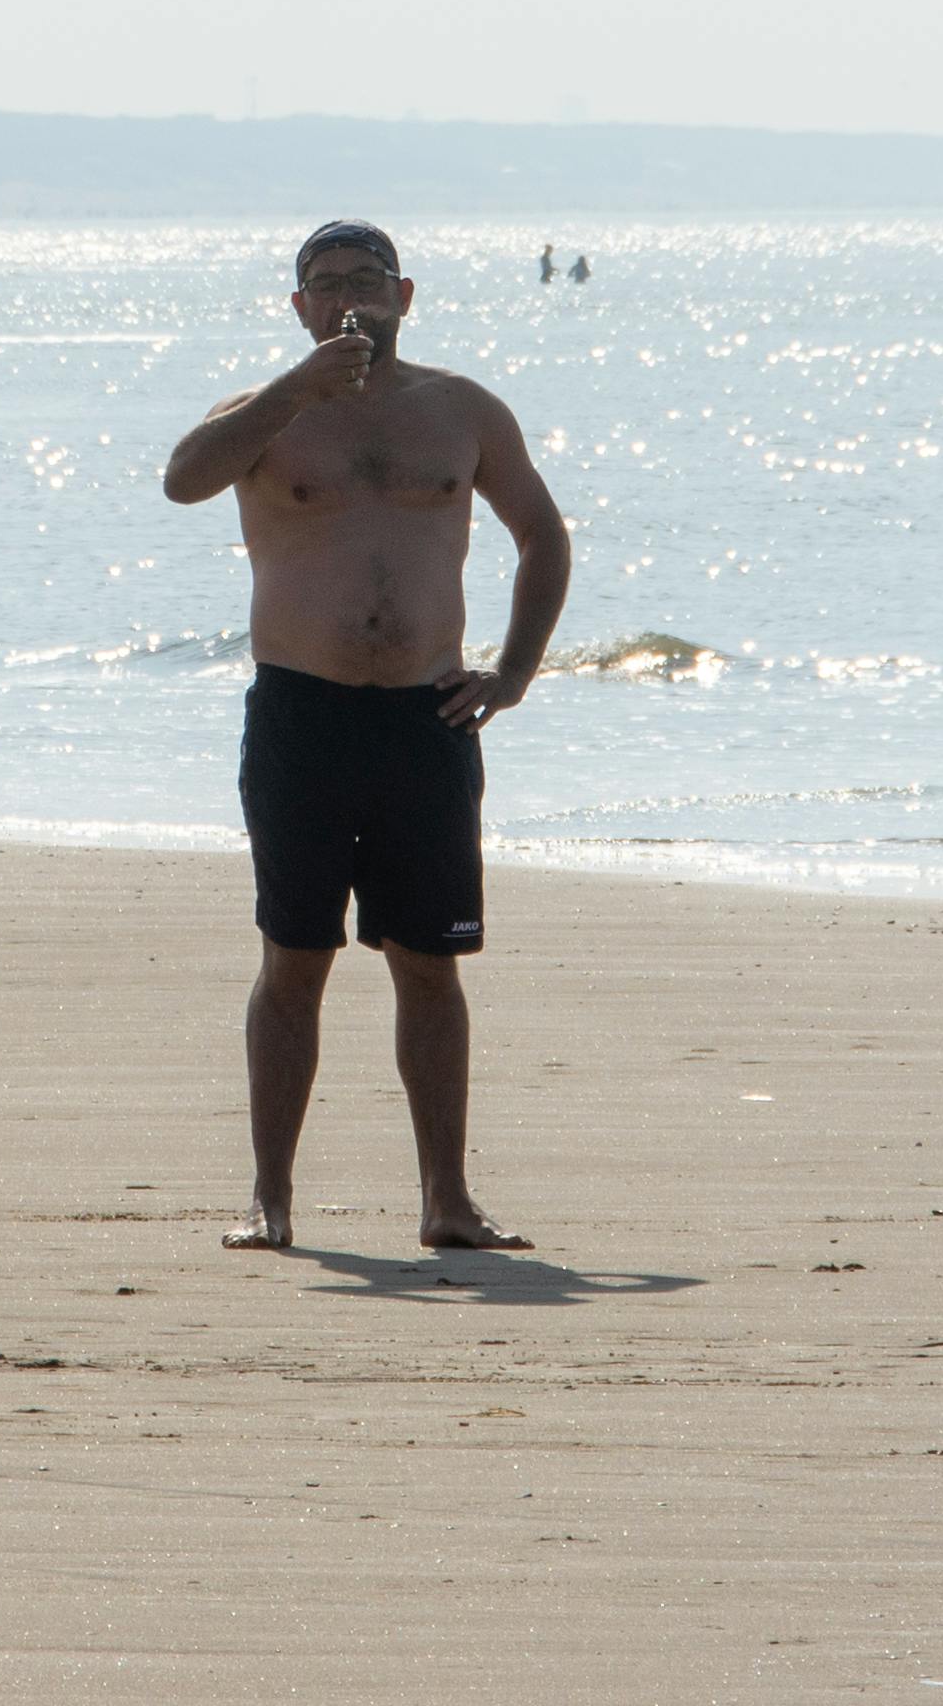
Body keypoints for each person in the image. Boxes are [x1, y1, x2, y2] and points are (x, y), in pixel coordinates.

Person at [159, 216, 572, 1255]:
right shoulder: (262, 415)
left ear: (406, 294)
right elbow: (182, 478)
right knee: (293, 958)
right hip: (302, 715)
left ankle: (448, 1199)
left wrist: (515, 672)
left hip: (424, 719)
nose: (350, 296)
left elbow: (542, 532)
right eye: (328, 282)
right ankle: (269, 1197)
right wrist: (293, 390)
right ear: (296, 305)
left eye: (368, 279)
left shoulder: (459, 409)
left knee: (429, 963)